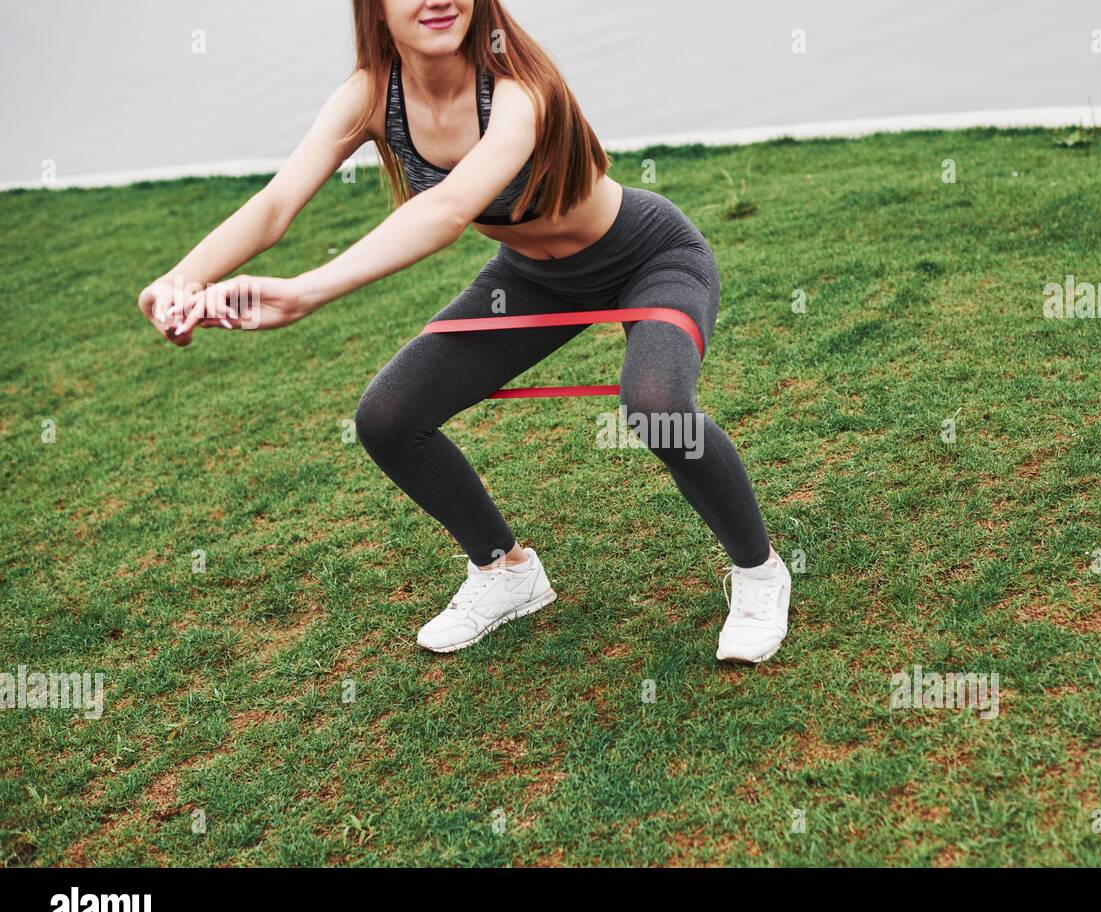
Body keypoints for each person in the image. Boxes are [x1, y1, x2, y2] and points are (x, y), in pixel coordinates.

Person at [136, 0, 790, 663]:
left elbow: (447, 210)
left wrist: (305, 291)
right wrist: (180, 279)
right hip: (531, 280)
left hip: (648, 258)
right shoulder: (371, 94)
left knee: (655, 407)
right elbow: (276, 203)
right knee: (389, 416)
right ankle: (506, 571)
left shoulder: (517, 89)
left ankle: (760, 572)